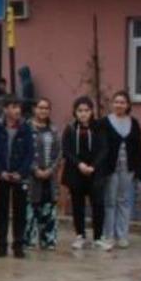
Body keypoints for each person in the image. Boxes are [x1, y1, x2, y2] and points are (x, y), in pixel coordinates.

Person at [0, 96, 34, 257]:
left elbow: (29, 153)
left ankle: (18, 244)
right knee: (1, 211)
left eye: (18, 107)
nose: (17, 111)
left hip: (19, 175)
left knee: (20, 211)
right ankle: (1, 244)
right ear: (5, 109)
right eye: (13, 107)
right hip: (2, 175)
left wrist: (21, 172)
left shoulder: (25, 128)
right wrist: (0, 171)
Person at [61, 96, 107, 250]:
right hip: (76, 172)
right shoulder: (70, 129)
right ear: (75, 112)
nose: (83, 114)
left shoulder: (99, 128)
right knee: (77, 204)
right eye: (80, 111)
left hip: (95, 172)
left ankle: (98, 237)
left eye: (86, 110)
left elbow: (104, 149)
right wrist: (79, 164)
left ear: (91, 111)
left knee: (98, 204)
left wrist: (93, 166)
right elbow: (66, 151)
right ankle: (80, 235)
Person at [100, 90, 141, 249]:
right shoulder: (104, 122)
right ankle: (108, 235)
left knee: (123, 200)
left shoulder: (134, 123)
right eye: (116, 102)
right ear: (112, 104)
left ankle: (122, 235)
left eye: (122, 102)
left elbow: (138, 148)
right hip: (111, 169)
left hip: (127, 168)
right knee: (110, 201)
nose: (119, 105)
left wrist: (138, 171)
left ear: (128, 105)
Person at [25, 97, 60, 249]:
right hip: (31, 178)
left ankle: (48, 240)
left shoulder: (54, 130)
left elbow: (58, 153)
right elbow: (25, 152)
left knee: (49, 208)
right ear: (35, 109)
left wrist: (50, 170)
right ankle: (29, 240)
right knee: (31, 208)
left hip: (49, 178)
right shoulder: (26, 128)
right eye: (40, 107)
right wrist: (35, 169)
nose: (43, 111)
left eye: (46, 108)